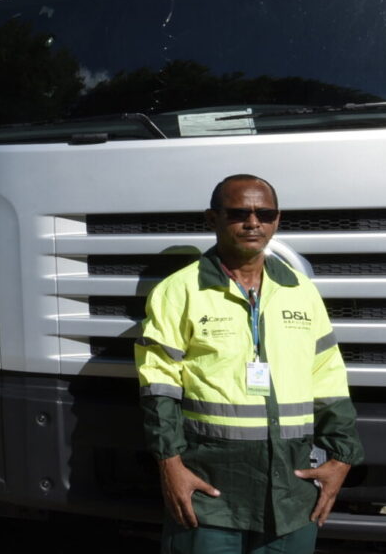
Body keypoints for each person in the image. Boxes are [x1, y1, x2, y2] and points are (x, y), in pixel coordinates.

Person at [135, 174, 363, 554]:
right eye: (239, 212)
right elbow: (157, 387)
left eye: (265, 213)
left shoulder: (301, 292)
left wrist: (342, 459)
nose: (253, 222)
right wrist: (169, 466)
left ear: (277, 220)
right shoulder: (178, 291)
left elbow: (329, 379)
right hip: (210, 495)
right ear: (212, 219)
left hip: (292, 497)